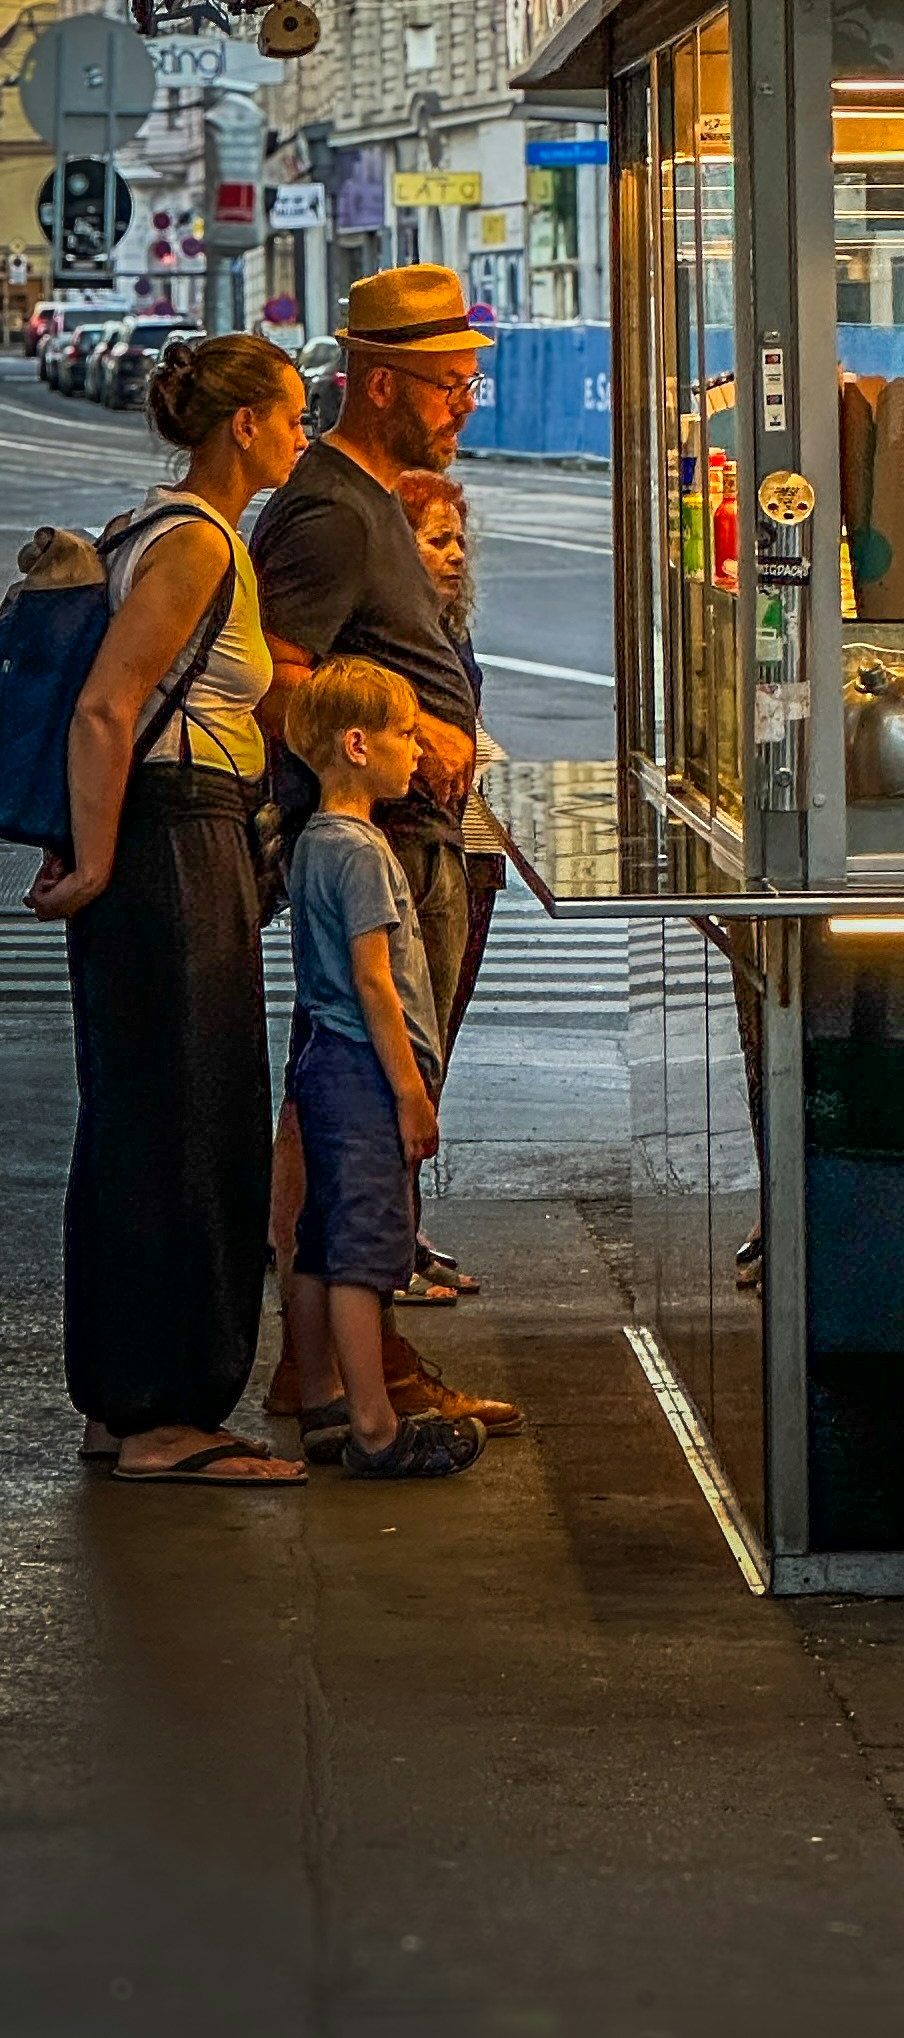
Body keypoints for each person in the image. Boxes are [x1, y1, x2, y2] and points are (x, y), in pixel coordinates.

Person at [31, 334, 309, 1487]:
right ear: (242, 425)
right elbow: (108, 707)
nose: (303, 430)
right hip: (176, 841)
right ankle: (168, 1415)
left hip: (160, 841)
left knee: (138, 1120)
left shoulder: (150, 527)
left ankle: (122, 1399)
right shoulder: (196, 543)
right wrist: (95, 863)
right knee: (197, 1123)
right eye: (293, 412)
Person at [254, 265, 521, 1445]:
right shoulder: (330, 511)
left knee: (362, 1106)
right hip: (385, 847)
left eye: (470, 379)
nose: (465, 402)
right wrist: (408, 739)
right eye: (447, 383)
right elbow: (274, 673)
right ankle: (331, 1371)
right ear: (377, 383)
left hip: (412, 836)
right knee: (354, 1107)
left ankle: (340, 1356)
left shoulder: (373, 494)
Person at [283, 656, 487, 1478]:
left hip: (322, 1063)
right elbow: (375, 979)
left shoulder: (312, 843)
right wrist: (411, 1092)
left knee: (319, 1240)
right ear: (357, 744)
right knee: (368, 1251)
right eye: (405, 736)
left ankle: (323, 1400)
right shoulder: (363, 851)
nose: (417, 752)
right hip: (366, 1069)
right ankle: (375, 1426)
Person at [394, 467, 508, 1301]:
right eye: (436, 539)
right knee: (399, 1051)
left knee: (431, 1051)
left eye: (458, 538)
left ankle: (398, 1224)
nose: (454, 554)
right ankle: (381, 1235)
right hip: (419, 848)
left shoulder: (443, 627)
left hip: (465, 850)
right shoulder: (395, 630)